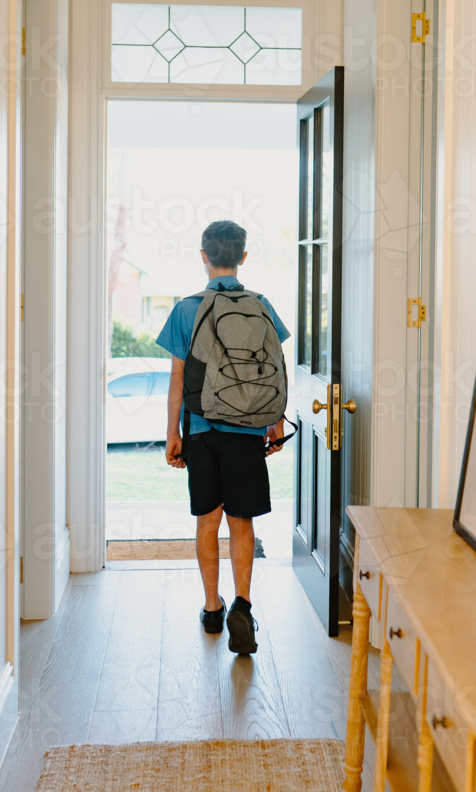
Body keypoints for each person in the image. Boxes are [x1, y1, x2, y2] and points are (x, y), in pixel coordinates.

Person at [156, 219, 290, 655]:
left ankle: (212, 607)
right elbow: (272, 368)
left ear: (203, 256)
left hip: (202, 428)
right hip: (248, 429)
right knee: (241, 522)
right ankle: (243, 605)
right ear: (242, 257)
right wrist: (273, 421)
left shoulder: (186, 308)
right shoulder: (262, 304)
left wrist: (173, 432)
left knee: (207, 521)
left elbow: (177, 378)